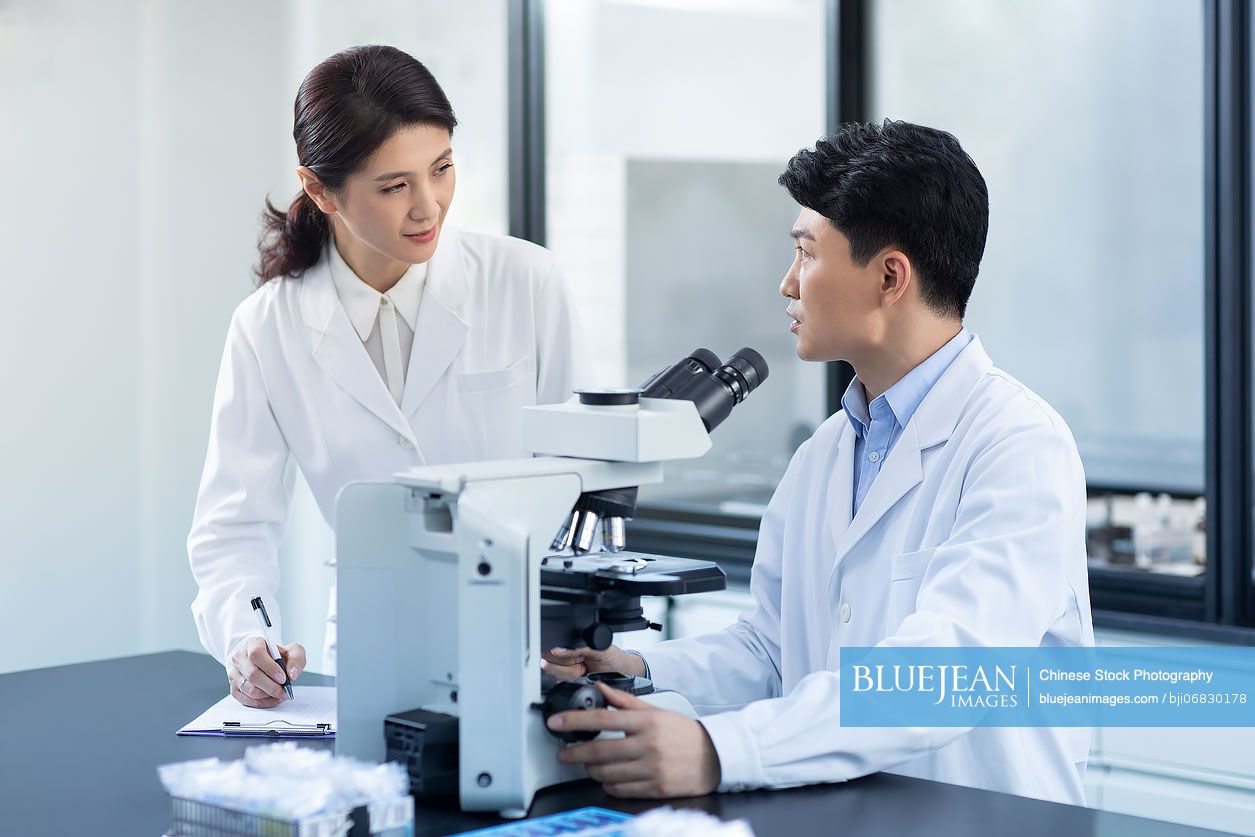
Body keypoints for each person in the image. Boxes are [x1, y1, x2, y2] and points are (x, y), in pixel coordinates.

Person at [542, 120, 1093, 805]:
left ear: (890, 276)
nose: (786, 283)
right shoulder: (824, 453)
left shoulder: (1017, 445)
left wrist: (723, 749)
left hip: (985, 818)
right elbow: (772, 649)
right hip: (854, 813)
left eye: (805, 254)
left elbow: (942, 671)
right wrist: (638, 665)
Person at [190, 45, 587, 708]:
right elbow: (234, 523)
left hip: (535, 646)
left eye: (441, 169)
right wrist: (247, 641)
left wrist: (574, 622)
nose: (428, 207)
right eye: (393, 186)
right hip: (375, 655)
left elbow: (587, 477)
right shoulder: (268, 326)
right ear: (320, 189)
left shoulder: (527, 283)